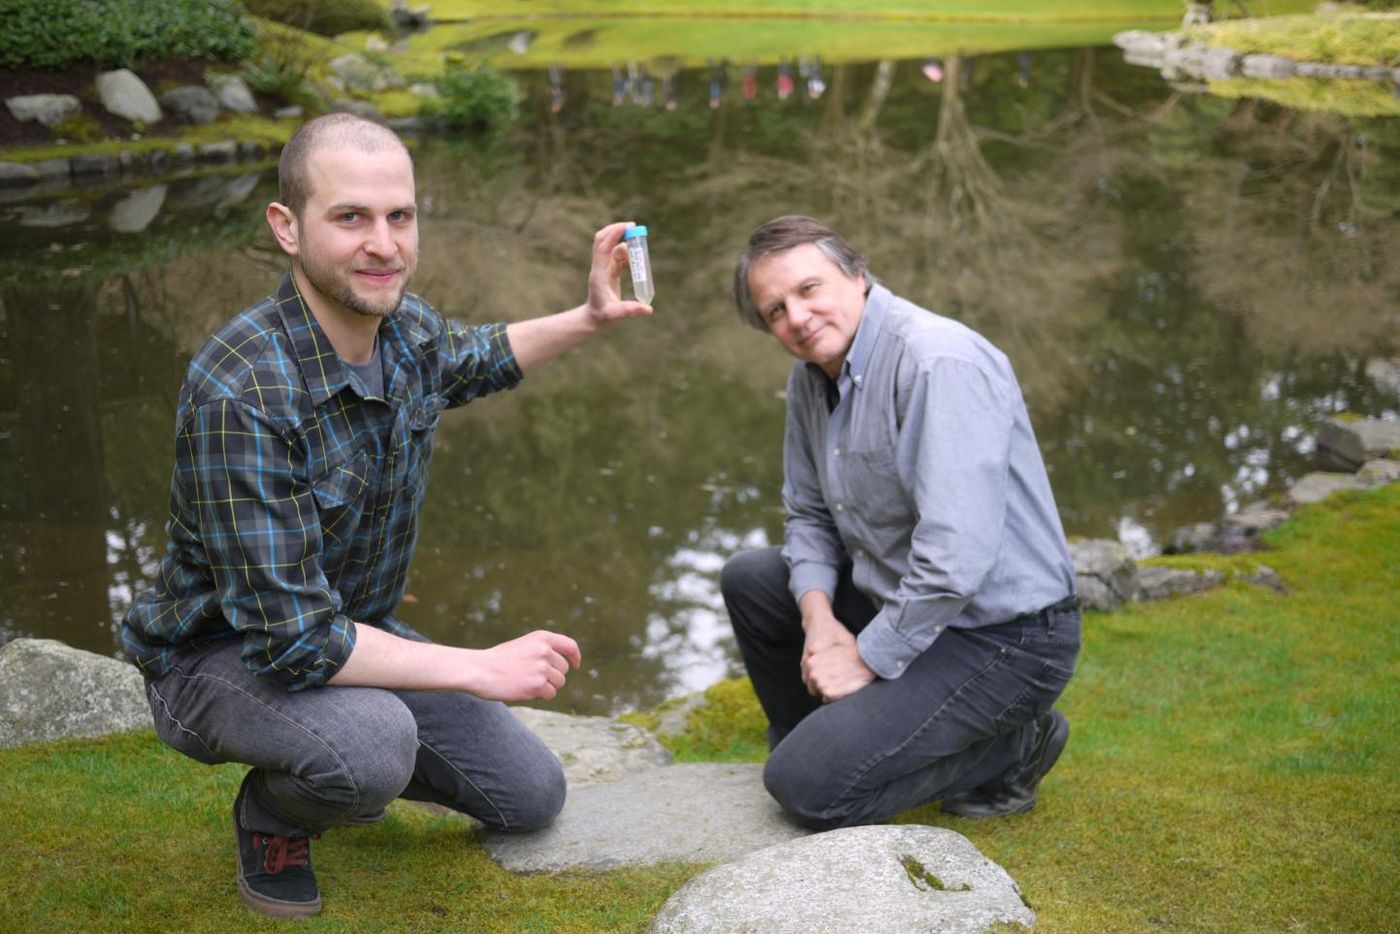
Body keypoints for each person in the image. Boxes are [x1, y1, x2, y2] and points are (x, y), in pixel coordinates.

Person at [120, 113, 652, 918]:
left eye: (399, 217)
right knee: (370, 747)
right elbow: (292, 638)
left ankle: (339, 761)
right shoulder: (244, 389)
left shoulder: (403, 328)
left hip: (349, 631)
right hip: (218, 656)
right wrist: (479, 666)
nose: (383, 244)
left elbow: (472, 359)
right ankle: (275, 817)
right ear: (286, 228)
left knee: (530, 796)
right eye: (350, 218)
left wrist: (587, 317)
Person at [721, 215, 1079, 830]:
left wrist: (866, 658)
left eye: (809, 290)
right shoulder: (812, 379)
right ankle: (825, 739)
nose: (797, 319)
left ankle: (1017, 745)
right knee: (752, 579)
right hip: (903, 601)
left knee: (805, 789)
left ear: (857, 275)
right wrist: (821, 624)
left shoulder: (937, 363)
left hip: (1005, 637)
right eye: (775, 310)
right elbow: (807, 514)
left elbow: (955, 555)